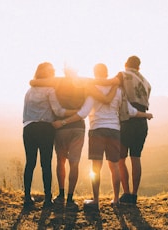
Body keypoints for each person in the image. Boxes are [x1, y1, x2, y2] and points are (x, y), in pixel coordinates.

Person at [52, 63, 152, 208]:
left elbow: (83, 113)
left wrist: (63, 122)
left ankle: (96, 201)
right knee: (115, 166)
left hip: (97, 130)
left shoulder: (92, 89)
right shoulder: (118, 90)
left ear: (94, 73)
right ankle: (116, 199)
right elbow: (130, 111)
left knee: (96, 167)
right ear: (107, 73)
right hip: (114, 130)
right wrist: (146, 115)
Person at [29, 67, 117, 209]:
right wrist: (115, 81)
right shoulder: (85, 83)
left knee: (61, 161)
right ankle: (70, 199)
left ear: (64, 70)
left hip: (60, 127)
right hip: (77, 128)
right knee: (74, 163)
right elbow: (101, 87)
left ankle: (61, 195)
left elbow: (33, 82)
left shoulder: (56, 82)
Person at [93, 56, 152, 204]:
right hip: (142, 121)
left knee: (120, 158)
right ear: (139, 67)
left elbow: (109, 83)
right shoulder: (146, 82)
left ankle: (125, 193)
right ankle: (134, 194)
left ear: (126, 64)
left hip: (127, 120)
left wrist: (90, 82)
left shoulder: (123, 75)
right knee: (136, 158)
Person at [22, 62, 76, 208]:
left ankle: (27, 197)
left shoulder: (29, 90)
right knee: (46, 163)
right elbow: (58, 111)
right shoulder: (50, 90)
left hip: (28, 128)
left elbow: (25, 113)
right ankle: (47, 199)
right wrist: (76, 112)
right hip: (45, 129)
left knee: (30, 163)